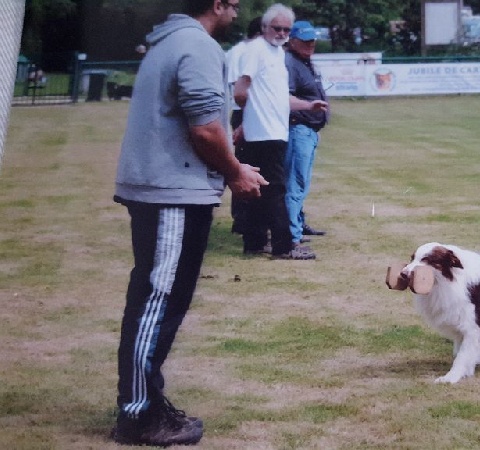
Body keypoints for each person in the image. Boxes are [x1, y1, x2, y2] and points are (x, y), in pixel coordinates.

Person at [111, 0, 266, 446]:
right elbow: (203, 128)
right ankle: (138, 414)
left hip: (167, 189)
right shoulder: (196, 45)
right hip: (171, 193)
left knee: (158, 303)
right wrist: (234, 171)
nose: (238, 11)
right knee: (156, 303)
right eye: (234, 4)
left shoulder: (170, 40)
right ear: (216, 4)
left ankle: (147, 403)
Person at [233, 3, 328, 260]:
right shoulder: (256, 50)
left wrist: (309, 105)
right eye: (277, 28)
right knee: (275, 190)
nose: (282, 32)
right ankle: (284, 247)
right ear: (265, 27)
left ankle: (254, 242)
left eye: (286, 29)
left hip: (274, 132)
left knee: (259, 189)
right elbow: (241, 89)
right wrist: (247, 117)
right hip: (263, 133)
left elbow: (281, 98)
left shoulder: (277, 54)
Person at [285, 20, 329, 246]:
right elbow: (287, 97)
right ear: (292, 41)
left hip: (308, 130)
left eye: (312, 40)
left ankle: (298, 225)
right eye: (305, 40)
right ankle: (291, 236)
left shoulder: (304, 62)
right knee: (296, 182)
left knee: (300, 182)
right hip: (298, 129)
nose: (310, 44)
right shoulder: (291, 63)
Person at [227, 16, 263, 235]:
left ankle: (250, 218)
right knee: (243, 167)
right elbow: (236, 87)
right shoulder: (240, 52)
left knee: (254, 165)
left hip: (251, 112)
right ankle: (241, 218)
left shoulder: (249, 51)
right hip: (244, 112)